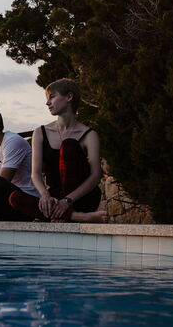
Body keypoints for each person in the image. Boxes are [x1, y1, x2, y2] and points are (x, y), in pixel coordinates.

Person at [6, 79, 108, 223]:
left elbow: (95, 175)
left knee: (68, 146)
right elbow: (35, 174)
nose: (47, 102)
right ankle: (76, 217)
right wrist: (45, 195)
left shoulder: (89, 135)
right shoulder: (40, 132)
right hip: (54, 198)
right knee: (15, 198)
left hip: (81, 198)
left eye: (52, 96)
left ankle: (65, 212)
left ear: (69, 97)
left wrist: (67, 200)